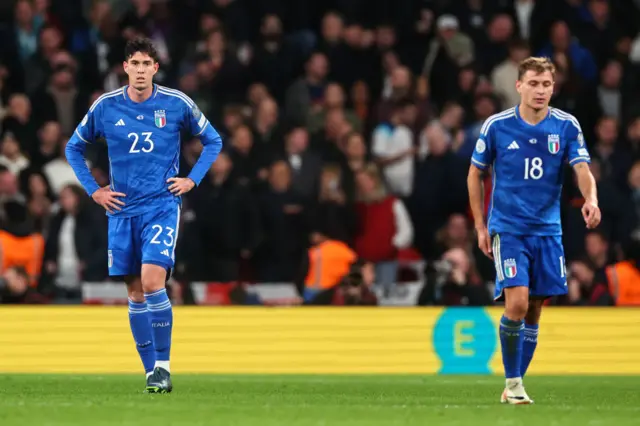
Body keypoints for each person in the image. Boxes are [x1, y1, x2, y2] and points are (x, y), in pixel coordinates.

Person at [65, 38, 223, 394]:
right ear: (125, 68)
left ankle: (164, 367)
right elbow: (73, 147)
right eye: (133, 63)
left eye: (146, 64)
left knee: (153, 282)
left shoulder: (176, 103)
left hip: (161, 206)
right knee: (135, 293)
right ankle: (152, 372)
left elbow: (213, 140)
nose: (139, 70)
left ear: (156, 68)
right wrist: (95, 190)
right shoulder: (105, 107)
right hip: (121, 210)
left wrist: (192, 179)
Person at [467, 57, 600, 404]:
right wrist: (481, 225)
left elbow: (582, 167)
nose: (540, 91)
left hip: (548, 231)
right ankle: (513, 383)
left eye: (546, 85)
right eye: (533, 84)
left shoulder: (566, 125)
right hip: (509, 228)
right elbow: (475, 174)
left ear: (553, 88)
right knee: (518, 303)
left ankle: (514, 382)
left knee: (536, 308)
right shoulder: (497, 126)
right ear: (519, 86)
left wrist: (591, 199)